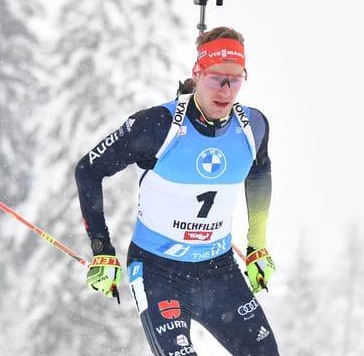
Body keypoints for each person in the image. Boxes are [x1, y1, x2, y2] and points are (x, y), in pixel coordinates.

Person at [75, 26, 279, 355]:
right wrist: (102, 249)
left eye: (235, 79)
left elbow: (258, 173)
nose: (226, 90)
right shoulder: (157, 126)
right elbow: (89, 169)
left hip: (220, 271)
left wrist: (258, 246)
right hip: (159, 272)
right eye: (216, 78)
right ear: (196, 73)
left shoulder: (253, 127)